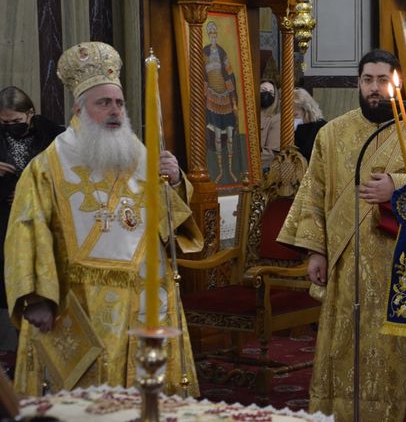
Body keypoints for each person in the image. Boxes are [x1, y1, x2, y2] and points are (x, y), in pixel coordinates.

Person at [4, 42, 203, 395]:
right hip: (79, 301)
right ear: (79, 109)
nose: (115, 111)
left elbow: (169, 223)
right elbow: (26, 232)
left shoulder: (138, 155)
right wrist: (36, 298)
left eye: (119, 103)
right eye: (104, 103)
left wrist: (174, 181)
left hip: (145, 297)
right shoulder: (47, 167)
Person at [277, 49, 406, 420]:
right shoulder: (332, 134)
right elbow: (313, 194)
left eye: (382, 80)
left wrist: (399, 187)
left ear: (396, 84)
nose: (374, 88)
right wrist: (315, 251)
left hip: (400, 269)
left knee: (394, 355)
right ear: (358, 83)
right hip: (346, 270)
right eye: (367, 80)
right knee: (343, 349)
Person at [0, 86, 64, 353]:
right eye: (4, 123)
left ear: (30, 113)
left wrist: (31, 191)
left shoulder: (55, 136)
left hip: (42, 220)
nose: (9, 127)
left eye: (15, 121)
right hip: (4, 221)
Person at [203, 21, 239, 183]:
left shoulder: (222, 53)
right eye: (210, 33)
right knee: (217, 136)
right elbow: (202, 75)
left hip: (225, 97)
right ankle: (220, 171)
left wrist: (234, 102)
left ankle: (231, 170)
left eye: (215, 33)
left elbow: (229, 75)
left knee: (230, 135)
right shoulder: (204, 53)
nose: (213, 36)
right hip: (212, 98)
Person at [292, 87, 326, 162]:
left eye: (295, 115)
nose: (292, 118)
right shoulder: (291, 127)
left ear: (306, 109)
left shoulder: (321, 126)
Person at [259, 79, 281, 172]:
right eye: (263, 90)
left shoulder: (276, 119)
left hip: (261, 167)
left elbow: (271, 153)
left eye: (271, 92)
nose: (267, 93)